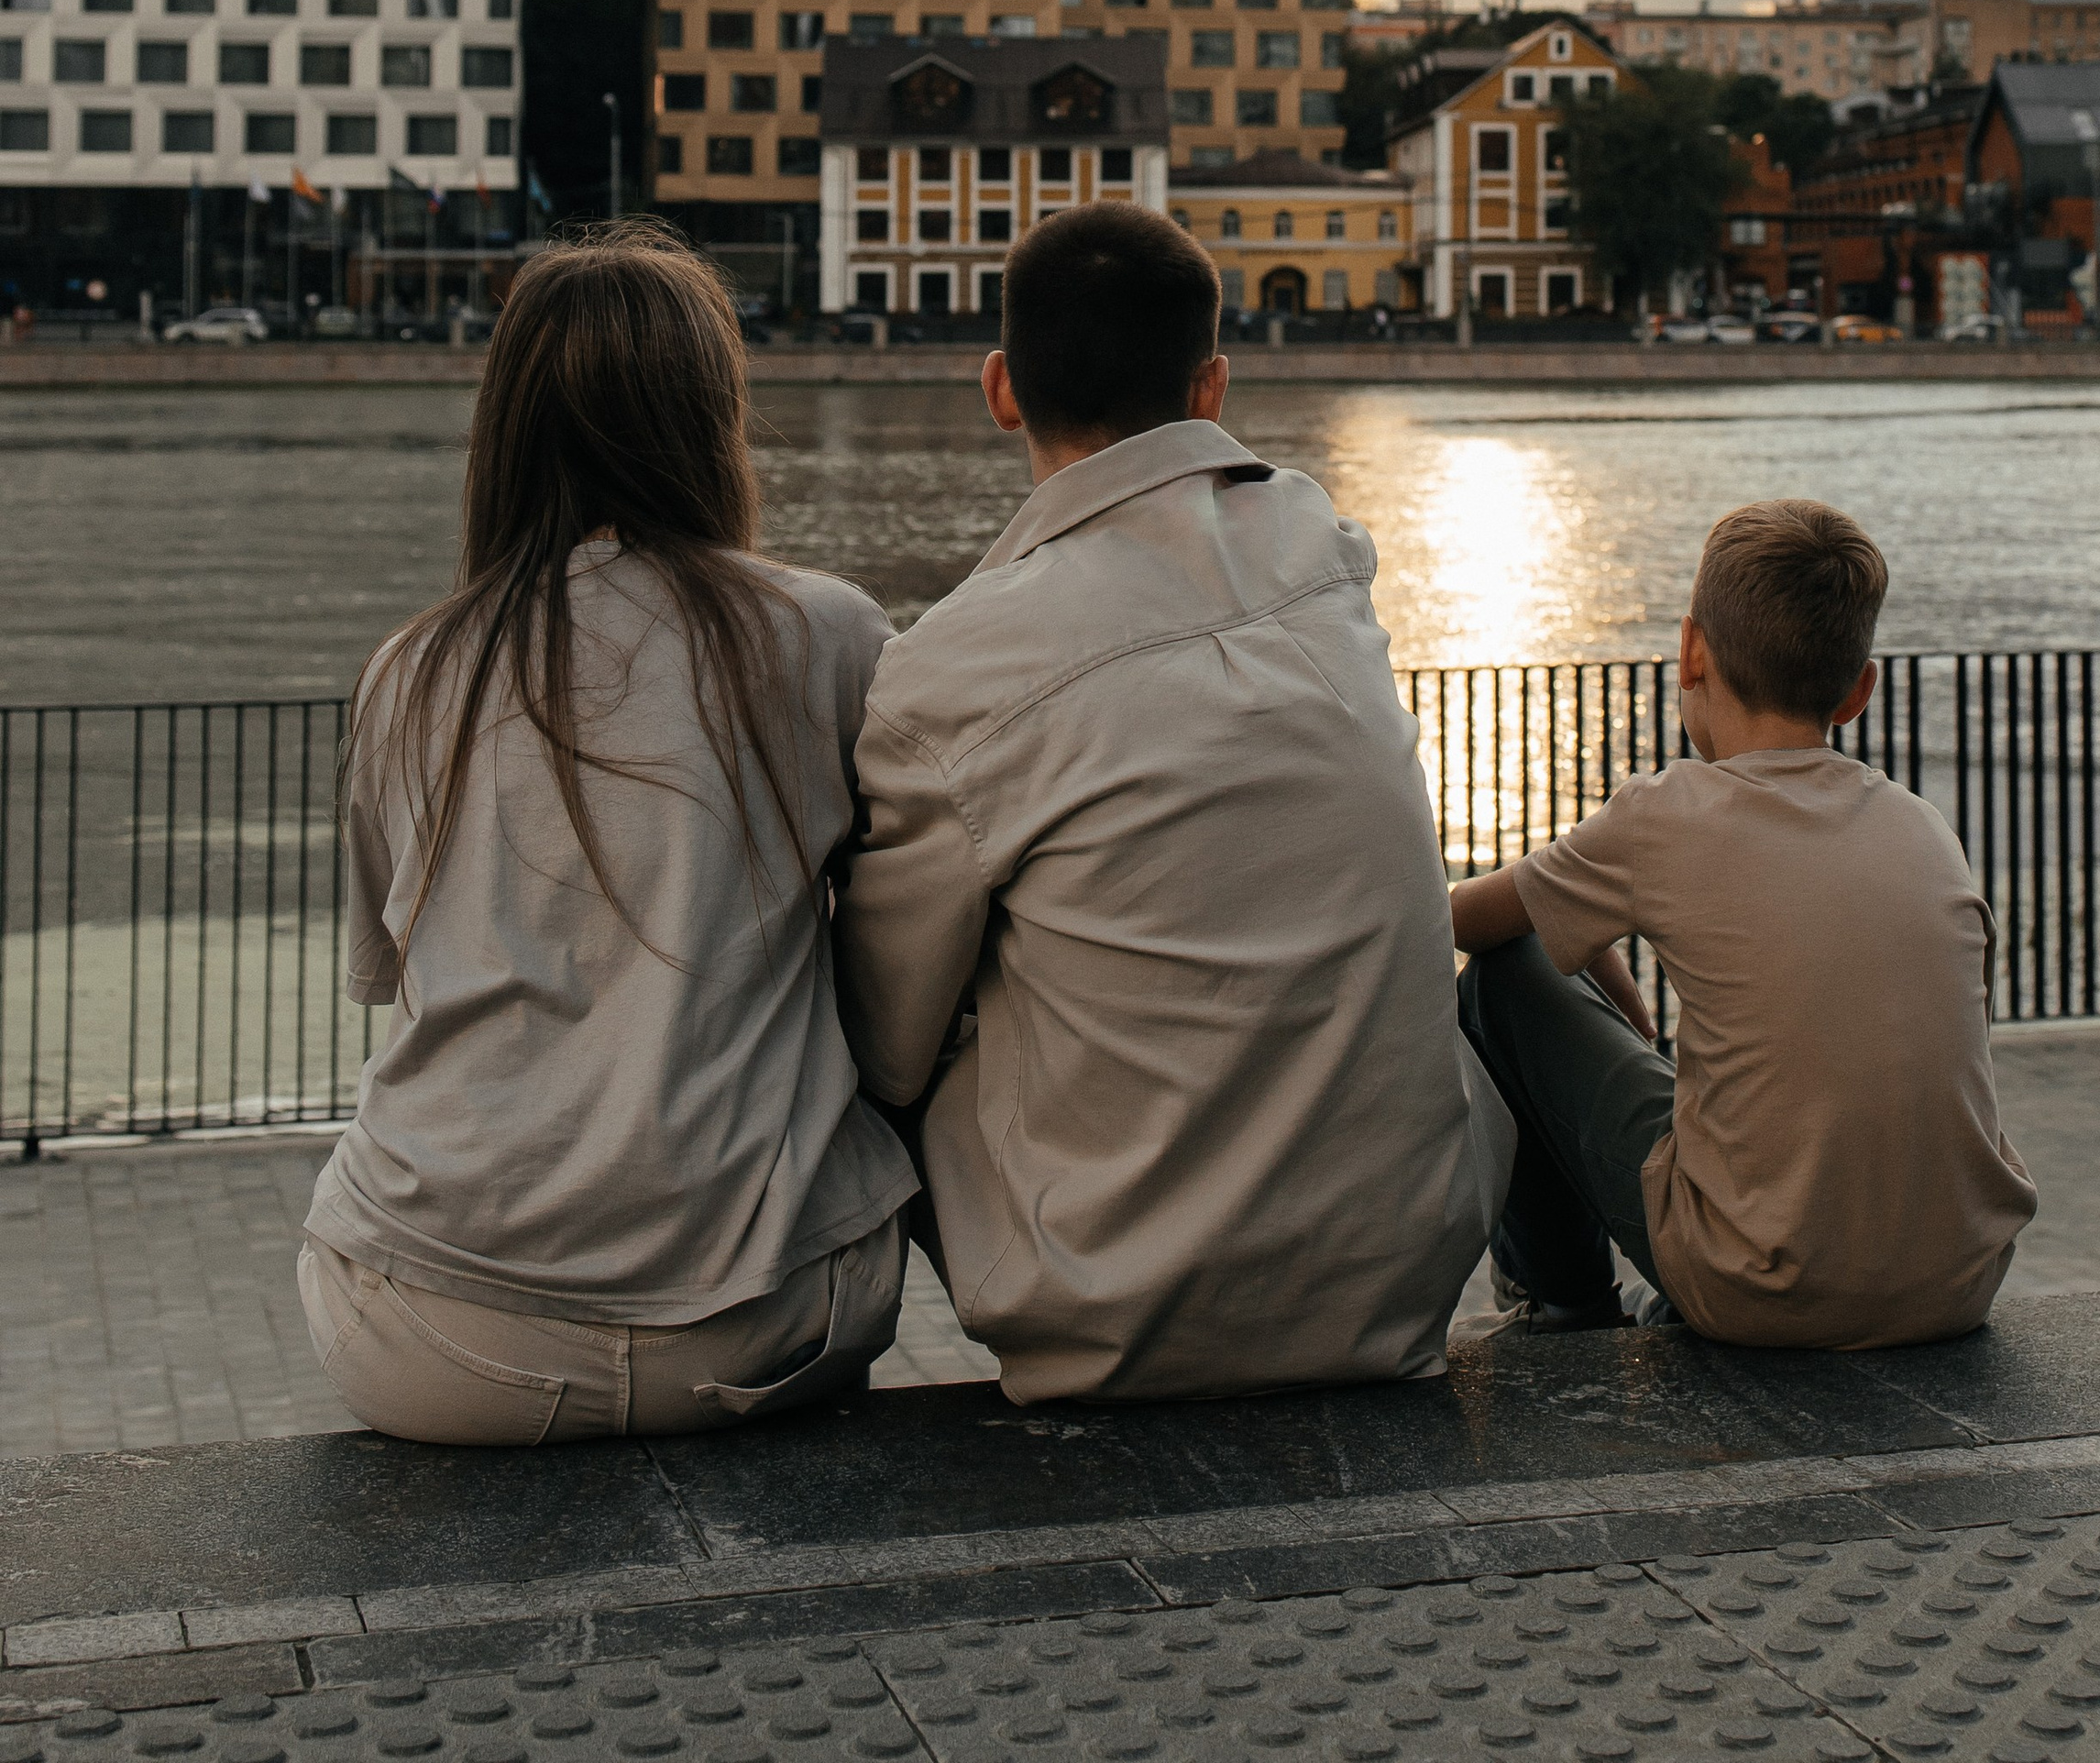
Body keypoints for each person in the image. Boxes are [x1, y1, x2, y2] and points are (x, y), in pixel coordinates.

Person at [833, 199, 1510, 1404]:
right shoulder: (1322, 548)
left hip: (1114, 1320)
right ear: (1212, 387)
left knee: (930, 971)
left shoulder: (953, 666)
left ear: (1000, 389)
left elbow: (883, 1047)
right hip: (1402, 1282)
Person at [299, 225, 914, 1442]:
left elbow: (390, 974)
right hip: (770, 1318)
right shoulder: (827, 636)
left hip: (434, 1335)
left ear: (504, 426)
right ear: (712, 414)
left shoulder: (413, 674)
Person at [1452, 496, 2036, 1350]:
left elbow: (1464, 921)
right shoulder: (1923, 827)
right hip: (1957, 1283)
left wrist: (1551, 928)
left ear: (1691, 651)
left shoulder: (1668, 814)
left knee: (1503, 982)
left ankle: (1565, 1308)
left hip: (1766, 1292)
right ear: (1859, 690)